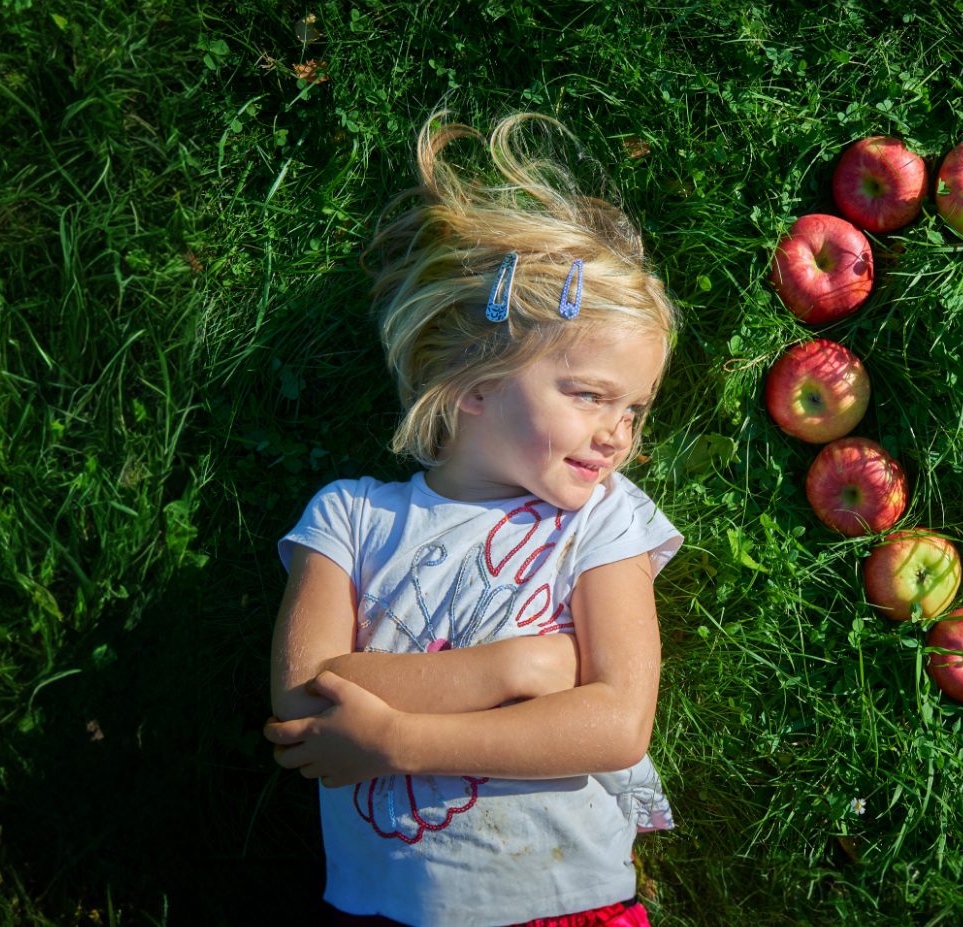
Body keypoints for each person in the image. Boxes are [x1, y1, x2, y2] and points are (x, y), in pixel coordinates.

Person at [264, 107, 684, 927]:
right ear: (478, 383)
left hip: (569, 904)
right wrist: (519, 671)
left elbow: (617, 723)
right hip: (389, 910)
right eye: (592, 396)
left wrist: (397, 740)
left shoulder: (604, 518)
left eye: (636, 408)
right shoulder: (351, 518)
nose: (619, 432)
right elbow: (304, 700)